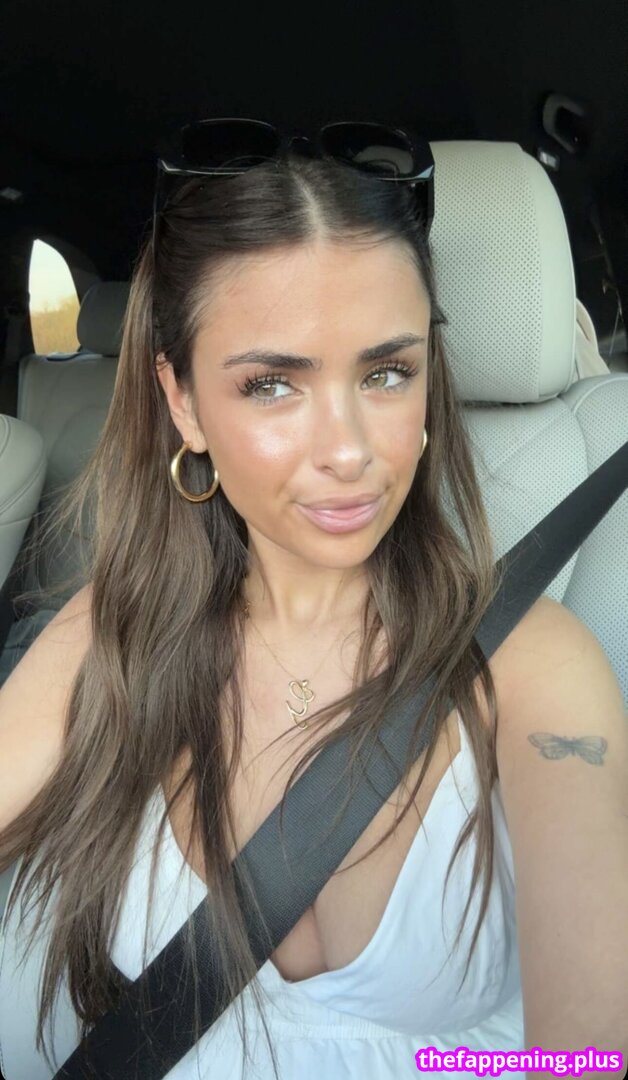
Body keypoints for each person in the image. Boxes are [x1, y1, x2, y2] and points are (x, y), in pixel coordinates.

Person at [0, 121, 626, 1080]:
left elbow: (588, 1054)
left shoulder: (532, 664)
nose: (348, 450)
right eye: (271, 385)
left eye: (387, 373)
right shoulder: (108, 634)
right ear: (183, 402)